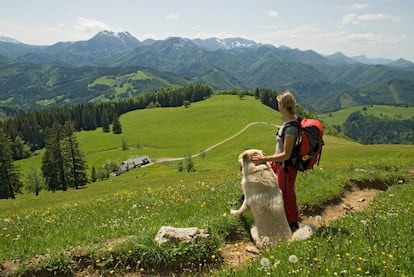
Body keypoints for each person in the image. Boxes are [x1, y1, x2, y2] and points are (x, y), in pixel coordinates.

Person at [252, 91, 300, 232]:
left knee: (285, 195)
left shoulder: (291, 127)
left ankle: (292, 224)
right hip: (278, 164)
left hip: (285, 167)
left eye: (278, 103)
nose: (277, 105)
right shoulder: (289, 121)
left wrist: (264, 159)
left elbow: (286, 154)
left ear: (282, 106)